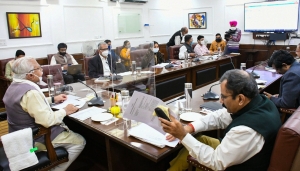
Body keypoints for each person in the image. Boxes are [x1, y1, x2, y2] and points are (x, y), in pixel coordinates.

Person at [159, 69, 281, 171]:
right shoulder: (259, 101)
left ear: (240, 99)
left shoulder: (246, 130)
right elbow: (219, 116)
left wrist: (182, 135)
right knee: (200, 139)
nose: (221, 101)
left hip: (240, 166)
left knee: (193, 146)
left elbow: (215, 162)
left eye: (223, 96)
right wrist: (189, 128)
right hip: (237, 153)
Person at [3, 57, 85, 171]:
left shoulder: (13, 86)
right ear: (30, 75)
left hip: (18, 137)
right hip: (34, 144)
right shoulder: (30, 92)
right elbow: (47, 121)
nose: (41, 70)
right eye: (38, 68)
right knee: (80, 141)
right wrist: (65, 110)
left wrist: (52, 99)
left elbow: (28, 105)